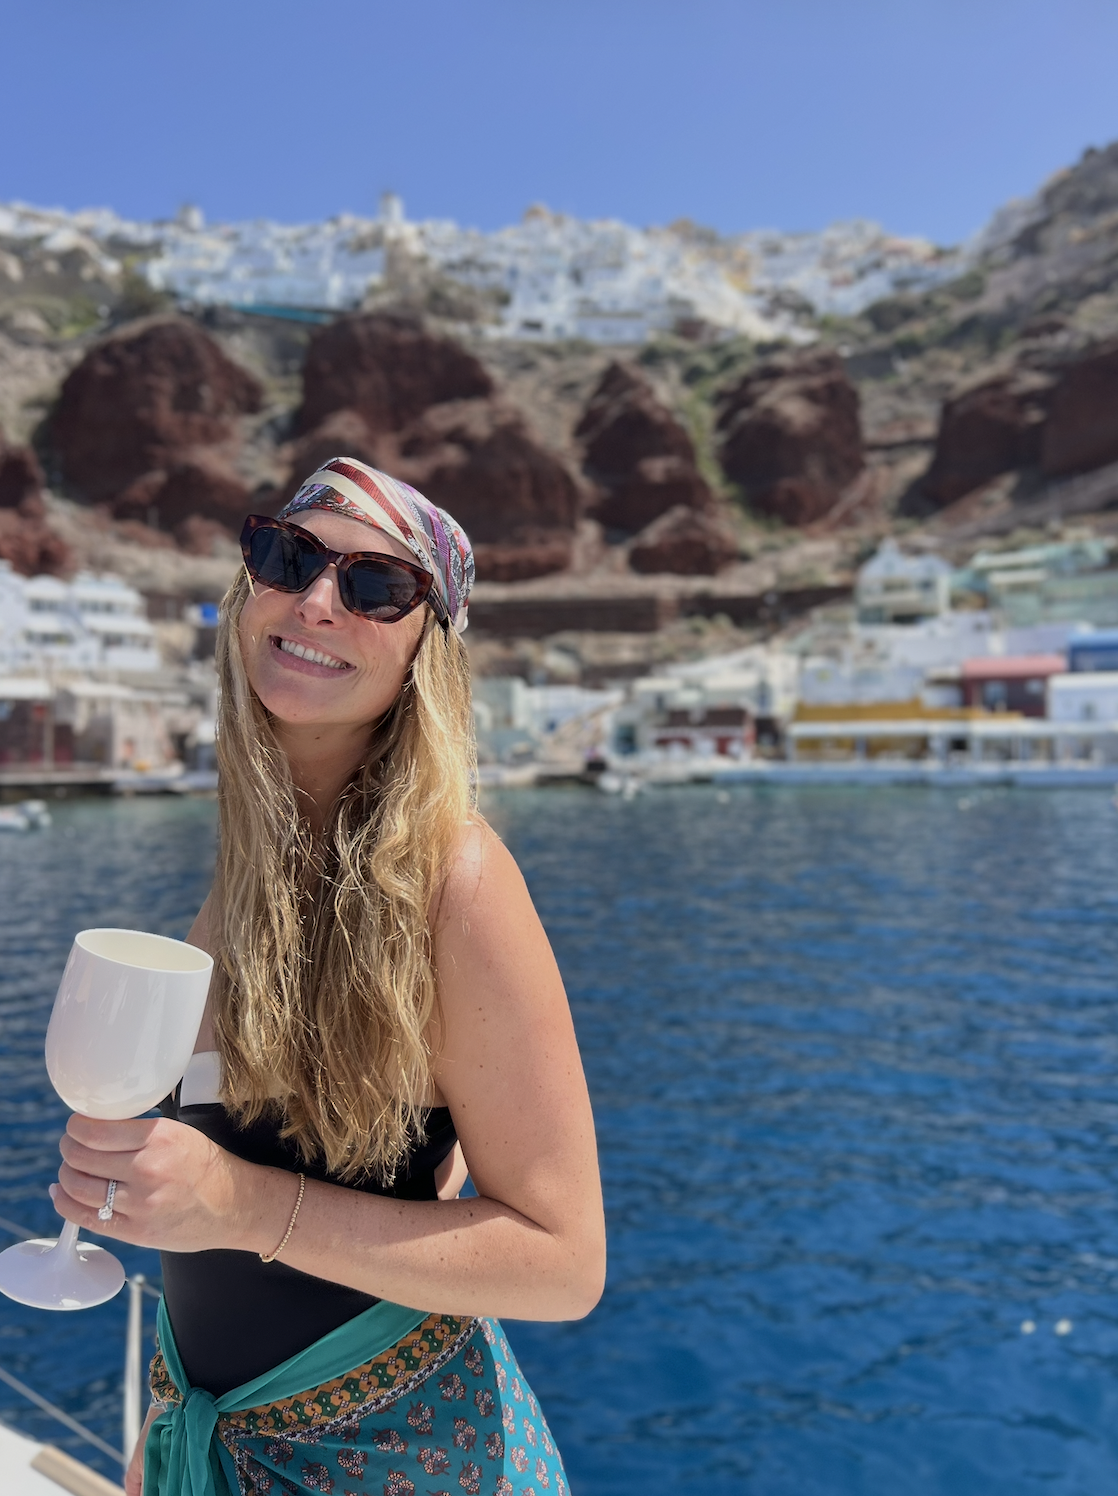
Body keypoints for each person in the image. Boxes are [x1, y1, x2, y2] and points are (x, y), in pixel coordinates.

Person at [49, 457, 606, 1496]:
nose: (315, 599)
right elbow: (384, 1167)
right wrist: (169, 1421)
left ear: (424, 651)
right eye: (288, 554)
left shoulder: (457, 880)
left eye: (375, 586)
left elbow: (565, 1261)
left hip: (401, 1458)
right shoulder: (254, 863)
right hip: (219, 1444)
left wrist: (237, 1204)